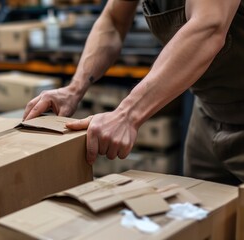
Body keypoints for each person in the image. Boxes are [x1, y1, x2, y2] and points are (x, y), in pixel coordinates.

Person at [23, 0, 244, 185]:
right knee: (203, 219)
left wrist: (127, 115)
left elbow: (209, 26)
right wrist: (74, 89)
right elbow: (113, 20)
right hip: (208, 112)